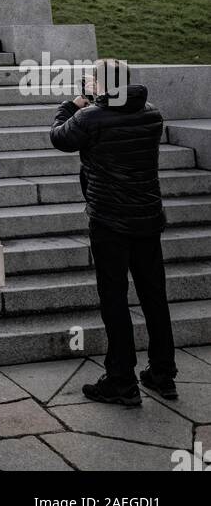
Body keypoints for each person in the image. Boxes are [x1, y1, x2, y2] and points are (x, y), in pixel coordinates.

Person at [50, 59, 177, 406]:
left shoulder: (91, 116)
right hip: (148, 217)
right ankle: (164, 373)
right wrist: (100, 97)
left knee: (115, 299)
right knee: (155, 296)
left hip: (108, 220)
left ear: (102, 84)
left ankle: (121, 379)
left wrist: (73, 104)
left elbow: (59, 137)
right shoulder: (152, 114)